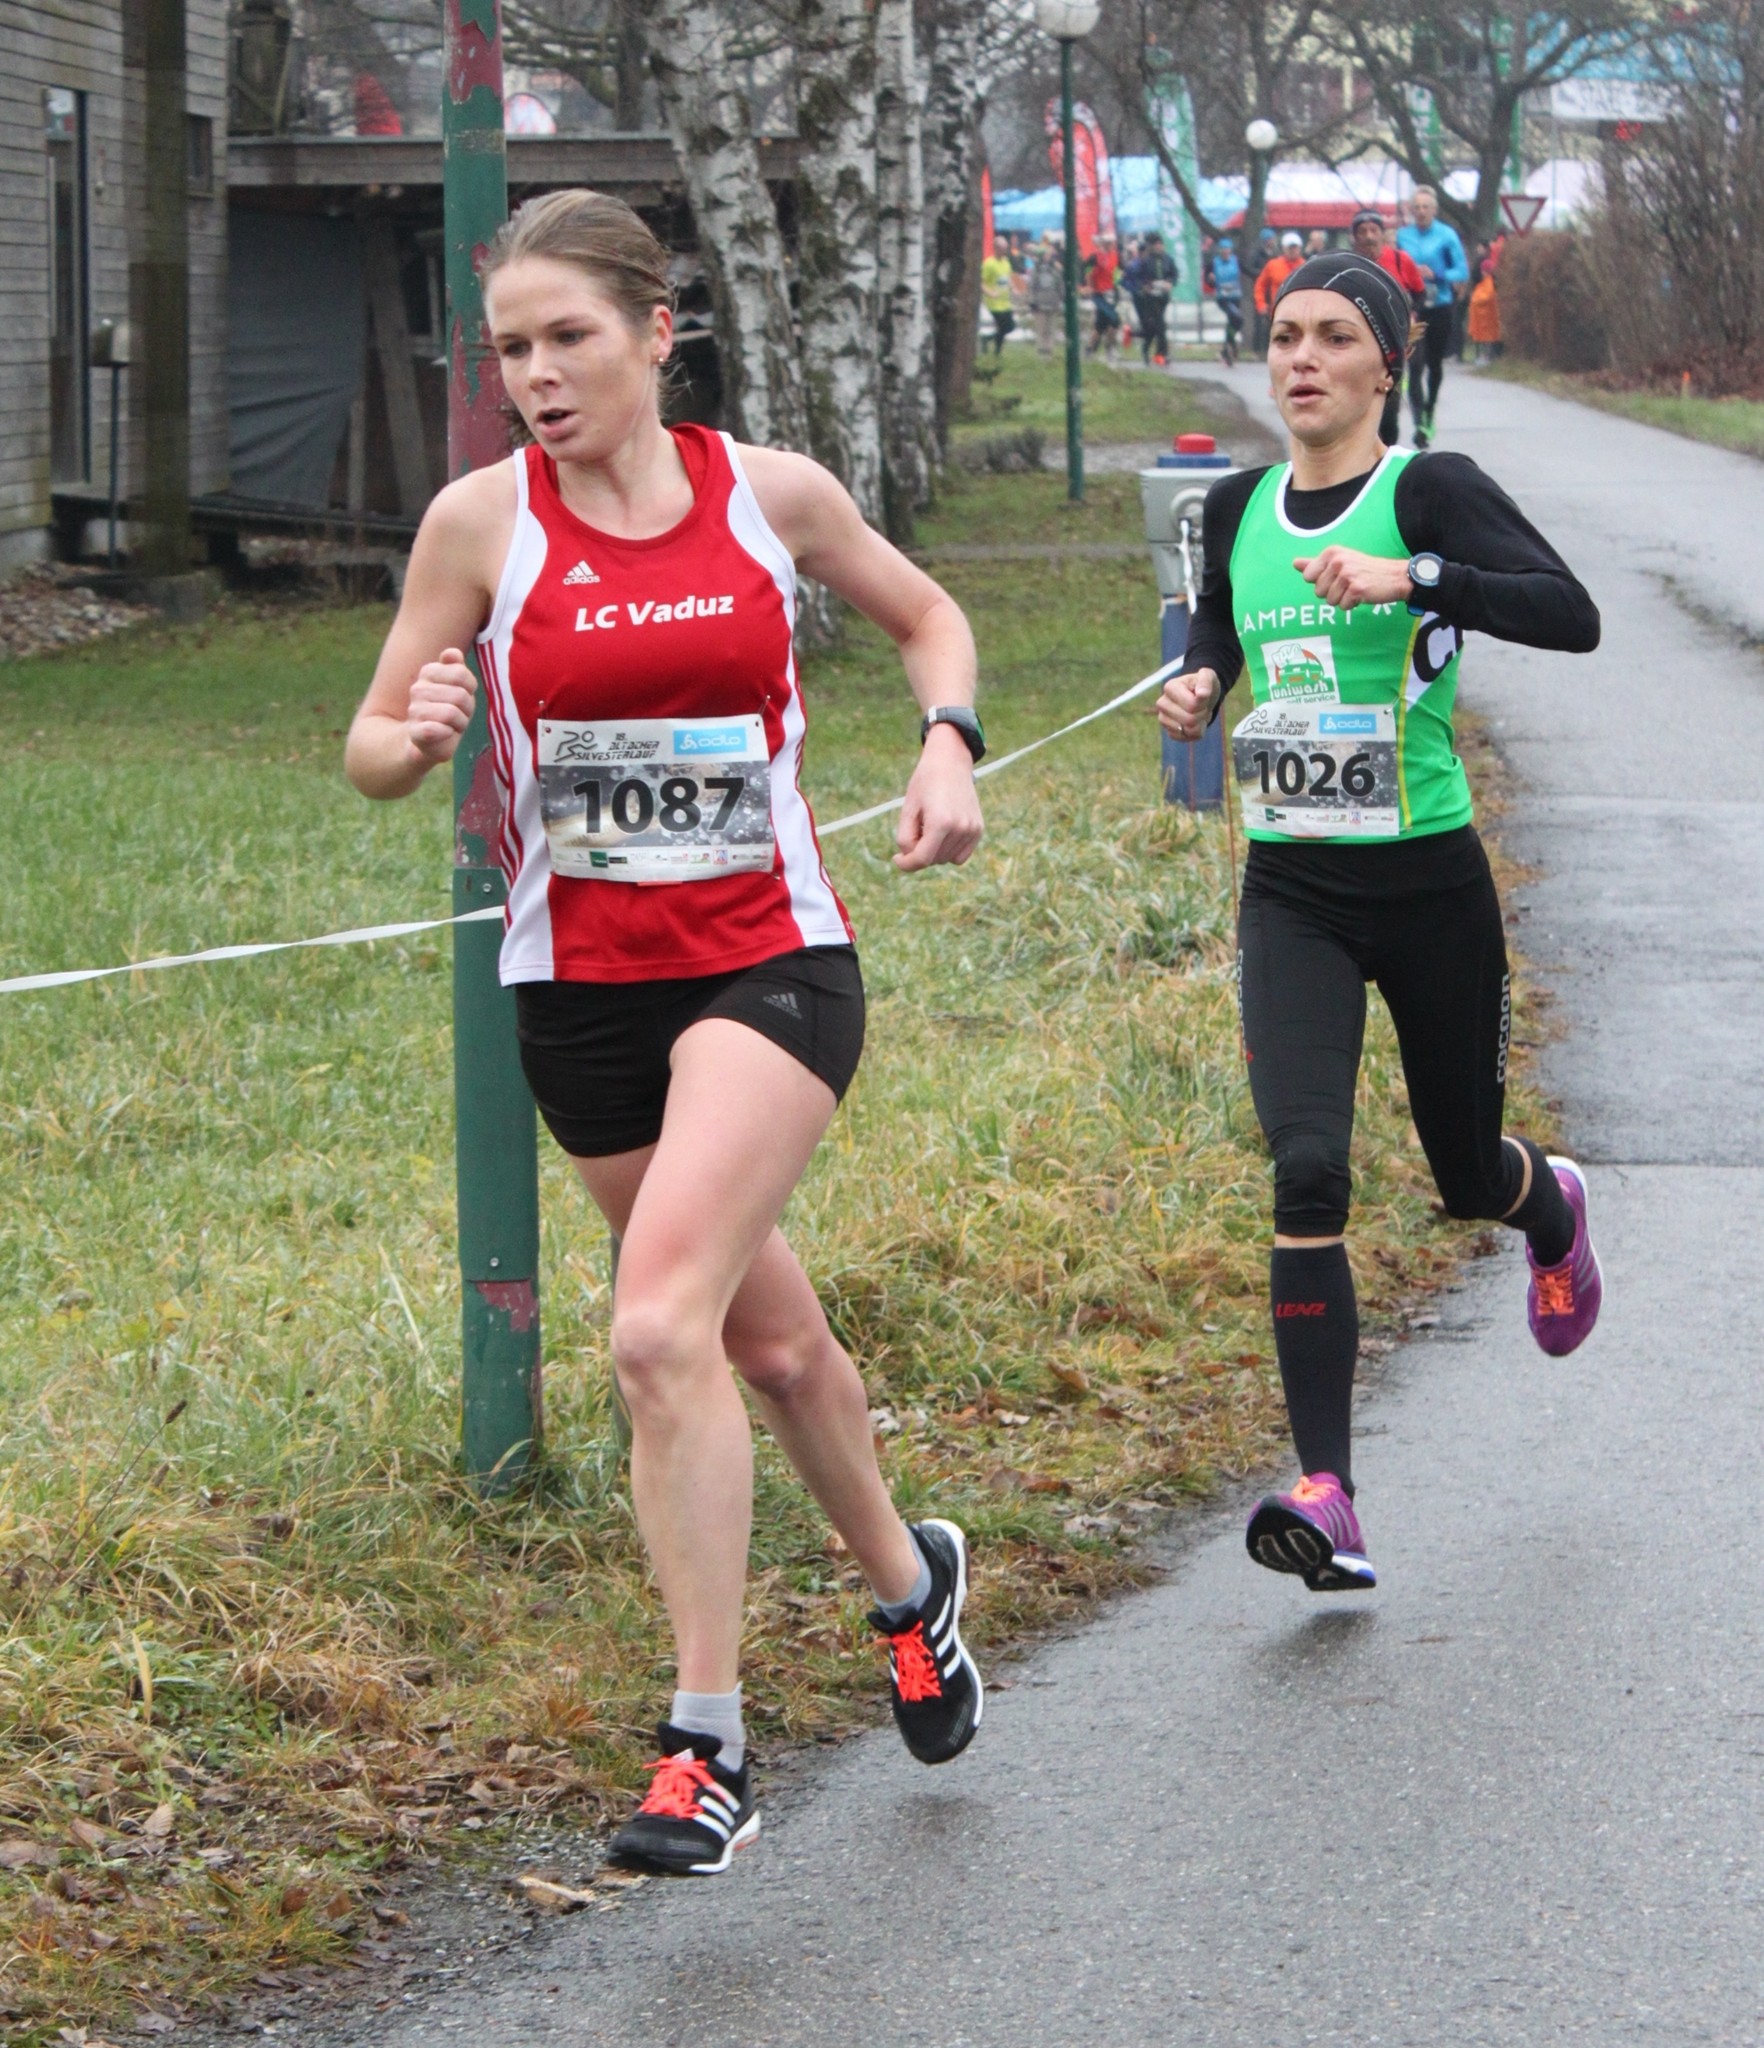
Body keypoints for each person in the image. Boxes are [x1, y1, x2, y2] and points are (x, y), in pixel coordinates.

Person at [344, 188, 986, 1875]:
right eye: (509, 351)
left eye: (568, 340)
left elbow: (926, 614)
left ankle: (704, 1741)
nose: (537, 378)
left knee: (651, 1333)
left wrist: (944, 744)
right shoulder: (477, 527)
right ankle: (911, 1589)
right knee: (761, 1346)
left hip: (766, 963)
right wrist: (412, 730)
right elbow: (366, 740)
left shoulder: (767, 495)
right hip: (578, 995)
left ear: (653, 333)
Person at [1153, 250, 1602, 1597]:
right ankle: (1328, 1491)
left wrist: (1416, 576)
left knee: (1465, 1173)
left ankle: (1550, 1207)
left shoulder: (1433, 490)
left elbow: (1569, 617)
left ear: (1383, 364)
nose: (1300, 358)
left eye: (1332, 336)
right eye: (1284, 334)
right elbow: (1226, 635)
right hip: (1293, 884)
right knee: (1306, 1167)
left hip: (1428, 885)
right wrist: (1197, 687)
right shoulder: (1237, 503)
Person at [1395, 185, 1468, 446]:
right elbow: (1395, 266)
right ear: (1411, 210)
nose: (1422, 211)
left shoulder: (1447, 236)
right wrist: (1410, 276)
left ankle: (1429, 410)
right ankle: (1419, 424)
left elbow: (1461, 270)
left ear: (1434, 210)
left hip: (1440, 306)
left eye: (1426, 207)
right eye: (1417, 207)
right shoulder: (1403, 237)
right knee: (1415, 366)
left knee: (1434, 365)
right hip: (1415, 307)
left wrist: (1437, 275)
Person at [1350, 208, 1427, 444]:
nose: (1369, 236)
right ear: (1355, 237)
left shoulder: (1399, 260)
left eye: (1374, 230)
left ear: (1383, 234)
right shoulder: (1348, 263)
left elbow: (1420, 293)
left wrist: (1411, 315)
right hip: (1360, 341)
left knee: (1390, 403)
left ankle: (1388, 452)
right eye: (1363, 231)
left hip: (1395, 339)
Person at [1125, 229, 1177, 365]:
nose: (1159, 246)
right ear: (1152, 246)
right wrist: (1144, 286)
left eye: (1160, 243)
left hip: (1163, 296)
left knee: (1153, 327)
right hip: (1150, 297)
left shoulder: (1167, 259)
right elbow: (1136, 277)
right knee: (1160, 324)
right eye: (1156, 244)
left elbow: (1174, 273)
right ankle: (1161, 354)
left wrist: (1170, 283)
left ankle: (1145, 348)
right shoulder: (1146, 261)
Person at [1253, 232, 1305, 357]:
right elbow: (1260, 285)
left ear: (1300, 248)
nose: (1293, 251)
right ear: (1283, 249)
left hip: (1301, 311)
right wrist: (1261, 304)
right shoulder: (1273, 265)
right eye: (1289, 248)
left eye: (1295, 247)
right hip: (1277, 311)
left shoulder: (1306, 265)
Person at [1210, 233, 1244, 366]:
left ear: (1230, 250)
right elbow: (1209, 280)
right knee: (1237, 318)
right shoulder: (1214, 262)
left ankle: (1227, 349)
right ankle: (1231, 345)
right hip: (1223, 298)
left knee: (1234, 322)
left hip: (1235, 296)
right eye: (1223, 249)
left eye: (1227, 249)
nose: (1225, 252)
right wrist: (1210, 279)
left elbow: (1246, 270)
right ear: (1220, 251)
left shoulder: (1236, 260)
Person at [1029, 234, 1063, 359]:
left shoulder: (1056, 270)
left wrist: (1061, 299)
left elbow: (1060, 285)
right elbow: (1032, 285)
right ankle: (1040, 350)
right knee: (1041, 329)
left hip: (1053, 303)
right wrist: (1032, 300)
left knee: (1050, 329)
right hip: (1040, 303)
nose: (1047, 257)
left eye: (1049, 255)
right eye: (1045, 255)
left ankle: (1049, 351)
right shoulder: (1036, 270)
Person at [1087, 233, 1122, 354]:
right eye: (1108, 243)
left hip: (1112, 292)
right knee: (1114, 320)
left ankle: (1091, 347)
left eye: (1111, 243)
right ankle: (1110, 347)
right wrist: (1090, 287)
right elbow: (1088, 273)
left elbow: (1119, 271)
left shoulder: (1116, 256)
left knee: (1101, 323)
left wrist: (1117, 281)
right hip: (1099, 293)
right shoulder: (1095, 257)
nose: (1110, 245)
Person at [981, 244, 1017, 354]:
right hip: (994, 302)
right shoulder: (988, 263)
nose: (1004, 251)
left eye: (1005, 249)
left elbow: (1008, 277)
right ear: (996, 249)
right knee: (1002, 327)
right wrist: (990, 293)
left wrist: (1013, 287)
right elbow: (981, 281)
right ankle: (997, 351)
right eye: (1002, 249)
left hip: (1005, 302)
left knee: (1010, 326)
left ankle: (988, 339)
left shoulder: (1006, 262)